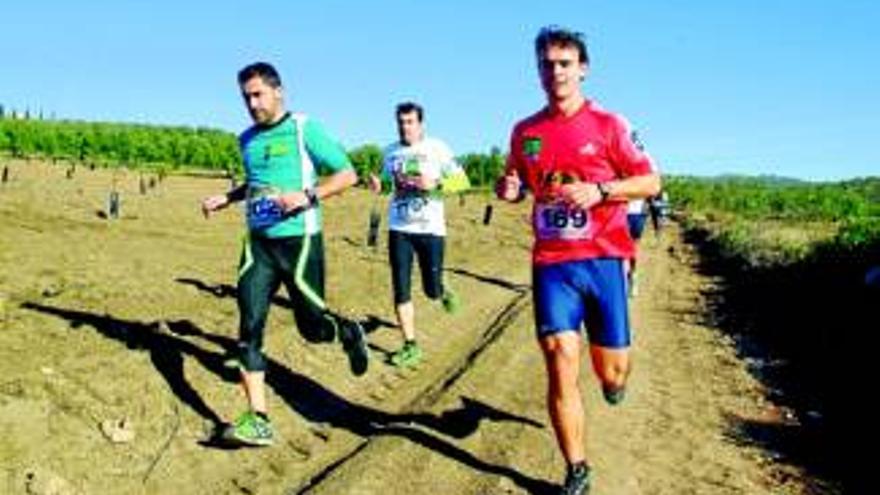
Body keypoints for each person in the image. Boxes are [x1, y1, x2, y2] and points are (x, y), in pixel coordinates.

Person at [496, 27, 660, 494]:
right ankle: (578, 467)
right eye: (547, 64)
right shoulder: (526, 131)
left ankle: (613, 381)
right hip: (553, 263)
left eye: (564, 63)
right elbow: (517, 180)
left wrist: (602, 190)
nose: (556, 72)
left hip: (604, 259)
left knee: (611, 372)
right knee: (559, 355)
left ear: (582, 68)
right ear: (538, 71)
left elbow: (651, 182)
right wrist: (510, 189)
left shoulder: (611, 125)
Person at [201, 62, 369, 447]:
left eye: (258, 94)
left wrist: (307, 196)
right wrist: (227, 197)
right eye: (246, 97)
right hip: (258, 244)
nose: (252, 103)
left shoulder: (303, 128)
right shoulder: (246, 139)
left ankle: (345, 330)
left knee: (311, 329)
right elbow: (256, 184)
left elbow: (347, 173)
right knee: (249, 327)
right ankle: (258, 419)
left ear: (279, 92)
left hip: (300, 241)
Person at [368, 102, 470, 368]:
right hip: (399, 228)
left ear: (421, 124)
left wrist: (434, 184)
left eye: (410, 122)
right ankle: (410, 345)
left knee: (431, 291)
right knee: (400, 288)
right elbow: (387, 185)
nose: (405, 127)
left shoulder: (437, 148)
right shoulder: (390, 152)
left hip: (431, 229)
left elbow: (462, 182)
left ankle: (441, 287)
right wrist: (379, 186)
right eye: (401, 122)